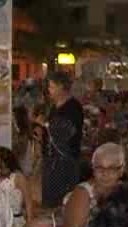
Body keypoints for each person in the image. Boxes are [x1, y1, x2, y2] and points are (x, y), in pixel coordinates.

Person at [43, 72, 84, 208]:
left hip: (66, 161)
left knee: (64, 201)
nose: (49, 90)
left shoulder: (73, 107)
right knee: (51, 200)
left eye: (52, 87)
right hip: (51, 160)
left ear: (61, 87)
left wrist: (46, 126)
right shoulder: (54, 107)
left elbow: (65, 133)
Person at [63, 143, 125, 227]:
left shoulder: (125, 191)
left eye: (111, 168)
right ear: (93, 168)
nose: (105, 174)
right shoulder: (83, 193)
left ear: (121, 170)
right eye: (99, 168)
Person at [0, 146, 33, 227]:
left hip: (15, 222)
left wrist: (30, 225)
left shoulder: (17, 177)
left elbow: (29, 203)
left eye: (1, 166)